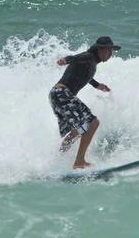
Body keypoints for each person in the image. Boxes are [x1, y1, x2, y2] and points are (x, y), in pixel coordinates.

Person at [48, 36, 121, 169]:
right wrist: (65, 60)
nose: (111, 54)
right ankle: (79, 162)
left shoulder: (91, 62)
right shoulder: (88, 57)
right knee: (92, 123)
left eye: (112, 51)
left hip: (56, 95)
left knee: (77, 130)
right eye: (108, 50)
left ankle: (58, 160)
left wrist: (97, 85)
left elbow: (85, 75)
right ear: (100, 50)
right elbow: (74, 58)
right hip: (62, 94)